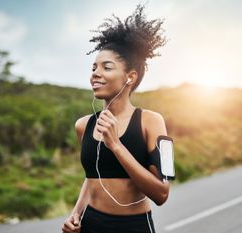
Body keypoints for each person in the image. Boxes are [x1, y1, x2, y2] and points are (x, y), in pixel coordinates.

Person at [61, 4, 170, 233]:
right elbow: (92, 177)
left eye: (106, 67)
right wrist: (76, 213)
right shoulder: (83, 125)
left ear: (130, 77)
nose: (95, 73)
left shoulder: (151, 121)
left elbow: (161, 193)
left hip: (133, 227)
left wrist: (116, 145)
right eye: (94, 67)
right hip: (90, 225)